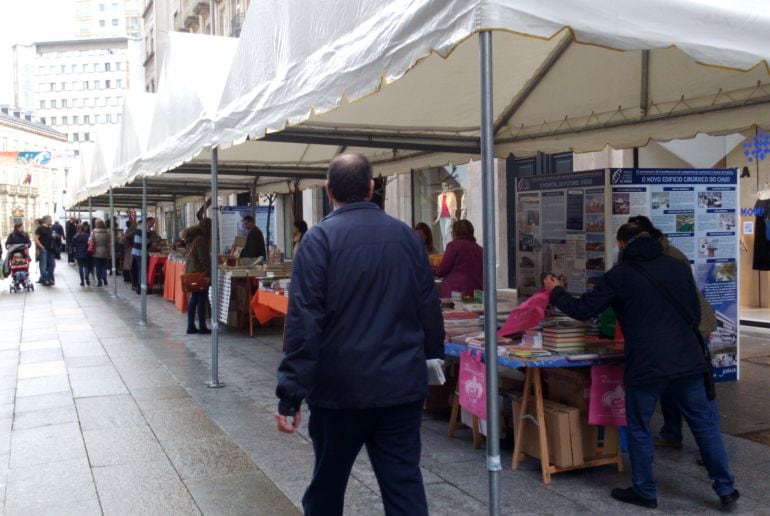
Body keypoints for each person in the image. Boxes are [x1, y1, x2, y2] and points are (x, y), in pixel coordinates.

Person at [275, 153, 445, 516]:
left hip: (340, 391)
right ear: (371, 187)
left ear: (328, 190)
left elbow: (303, 323)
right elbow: (429, 307)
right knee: (403, 487)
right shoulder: (407, 238)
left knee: (327, 485)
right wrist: (432, 359)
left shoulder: (319, 240)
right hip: (399, 387)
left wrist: (290, 394)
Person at [544, 223, 738, 510]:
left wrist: (556, 291)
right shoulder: (677, 266)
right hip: (687, 360)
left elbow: (583, 310)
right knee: (704, 426)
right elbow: (695, 312)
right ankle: (726, 488)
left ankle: (645, 490)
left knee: (639, 426)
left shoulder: (620, 275)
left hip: (647, 364)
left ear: (622, 245)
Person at [627, 215, 719, 449]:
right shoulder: (659, 253)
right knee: (669, 385)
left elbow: (685, 298)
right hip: (679, 327)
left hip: (694, 325)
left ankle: (709, 444)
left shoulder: (671, 257)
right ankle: (672, 432)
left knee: (701, 390)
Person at [435, 219, 483, 298]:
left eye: (452, 232)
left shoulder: (453, 246)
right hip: (477, 293)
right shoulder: (480, 249)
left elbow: (442, 270)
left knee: (458, 310)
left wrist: (433, 269)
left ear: (456, 232)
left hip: (456, 291)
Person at [183, 218, 212, 335]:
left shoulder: (192, 239)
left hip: (191, 271)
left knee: (194, 299)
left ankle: (191, 326)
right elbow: (203, 259)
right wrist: (209, 272)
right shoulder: (200, 240)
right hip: (199, 273)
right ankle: (202, 326)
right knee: (201, 299)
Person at [131, 217, 157, 294]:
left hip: (136, 251)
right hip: (140, 252)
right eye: (152, 222)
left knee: (140, 269)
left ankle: (139, 287)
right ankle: (141, 288)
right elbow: (147, 243)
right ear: (148, 221)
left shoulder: (140, 227)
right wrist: (152, 240)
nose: (153, 224)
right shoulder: (145, 229)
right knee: (142, 270)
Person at [34, 215, 56, 286]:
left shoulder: (50, 228)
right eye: (50, 219)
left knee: (52, 265)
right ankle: (45, 279)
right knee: (43, 265)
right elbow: (36, 239)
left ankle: (48, 278)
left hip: (51, 249)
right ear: (46, 220)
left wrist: (54, 237)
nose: (51, 220)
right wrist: (41, 247)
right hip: (44, 249)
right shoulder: (40, 228)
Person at [434, 182, 457, 250]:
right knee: (443, 234)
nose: (445, 187)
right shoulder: (439, 196)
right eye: (444, 186)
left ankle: (451, 248)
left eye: (446, 186)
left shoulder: (452, 195)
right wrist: (437, 219)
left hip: (449, 216)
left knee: (447, 232)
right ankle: (445, 250)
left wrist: (454, 215)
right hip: (441, 217)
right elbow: (439, 208)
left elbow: (454, 206)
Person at [90, 219, 111, 287]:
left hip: (96, 251)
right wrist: (109, 252)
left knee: (98, 267)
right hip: (105, 251)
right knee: (104, 266)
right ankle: (104, 277)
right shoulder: (107, 232)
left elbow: (90, 241)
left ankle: (99, 281)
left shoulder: (93, 232)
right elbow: (109, 243)